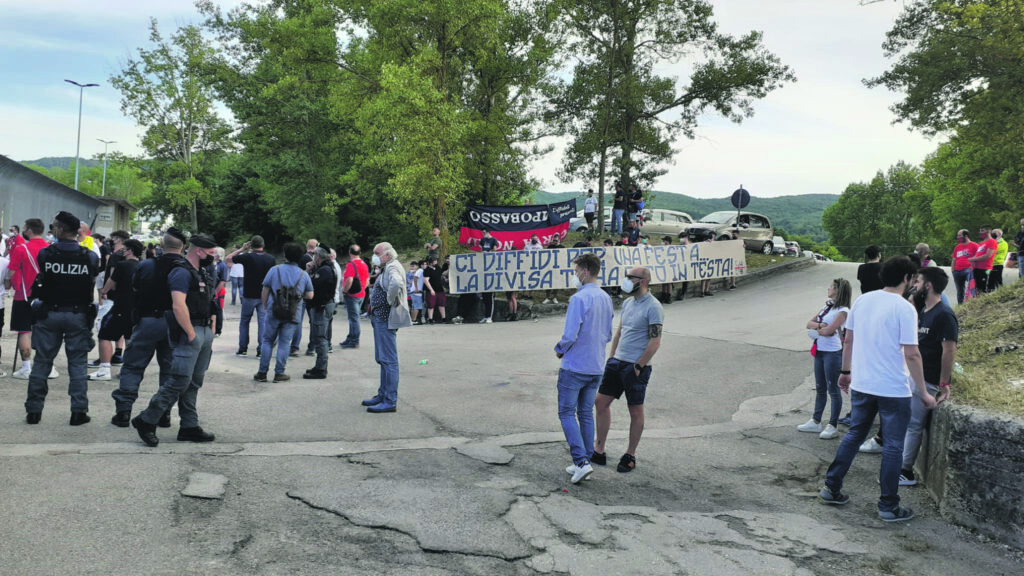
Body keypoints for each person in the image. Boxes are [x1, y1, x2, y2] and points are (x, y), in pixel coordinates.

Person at [818, 256, 937, 523]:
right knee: (894, 445)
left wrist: (846, 372)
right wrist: (923, 391)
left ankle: (831, 488)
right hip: (893, 387)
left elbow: (848, 340)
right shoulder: (905, 308)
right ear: (907, 278)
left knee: (854, 434)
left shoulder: (863, 300)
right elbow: (912, 353)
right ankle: (888, 506)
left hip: (863, 382)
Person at [130, 231, 220, 447]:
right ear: (198, 251)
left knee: (194, 382)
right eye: (210, 252)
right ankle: (147, 419)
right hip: (190, 332)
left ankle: (189, 426)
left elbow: (209, 300)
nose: (213, 256)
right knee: (179, 379)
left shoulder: (202, 272)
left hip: (204, 330)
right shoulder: (181, 272)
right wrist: (189, 332)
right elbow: (178, 304)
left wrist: (212, 324)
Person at [23, 211, 100, 425]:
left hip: (49, 314)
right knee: (77, 364)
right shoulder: (89, 256)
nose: (52, 229)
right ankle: (78, 412)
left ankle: (34, 411)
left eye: (54, 226)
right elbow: (91, 277)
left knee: (42, 362)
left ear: (62, 229)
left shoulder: (47, 254)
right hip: (78, 315)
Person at [592, 266, 663, 474]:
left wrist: (639, 365)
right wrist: (612, 357)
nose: (625, 280)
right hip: (617, 363)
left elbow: (655, 341)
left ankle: (630, 454)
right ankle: (599, 448)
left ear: (642, 281)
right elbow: (620, 331)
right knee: (601, 402)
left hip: (636, 366)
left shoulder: (654, 306)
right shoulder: (627, 303)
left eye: (629, 277)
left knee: (635, 409)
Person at [109, 231, 183, 428]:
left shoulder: (146, 265)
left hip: (148, 320)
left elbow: (135, 290)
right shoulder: (185, 267)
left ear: (161, 244)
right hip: (174, 322)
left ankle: (123, 412)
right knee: (169, 369)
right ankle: (163, 412)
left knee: (133, 366)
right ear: (182, 247)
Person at [556, 253, 613, 484]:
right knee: (585, 413)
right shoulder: (605, 297)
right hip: (596, 365)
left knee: (567, 412)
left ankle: (580, 461)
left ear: (585, 271)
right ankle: (585, 460)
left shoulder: (579, 299)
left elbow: (570, 334)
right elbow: (608, 334)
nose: (575, 275)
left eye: (576, 270)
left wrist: (560, 349)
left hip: (575, 364)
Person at [900, 267, 957, 486]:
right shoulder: (925, 311)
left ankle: (905, 472)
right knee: (909, 424)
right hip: (916, 377)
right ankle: (903, 466)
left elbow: (949, 351)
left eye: (919, 281)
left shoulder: (944, 314)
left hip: (929, 380)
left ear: (929, 286)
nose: (915, 285)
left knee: (914, 425)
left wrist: (944, 384)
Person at [797, 278, 852, 440]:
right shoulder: (827, 306)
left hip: (833, 353)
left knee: (833, 390)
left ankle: (832, 424)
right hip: (820, 350)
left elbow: (830, 331)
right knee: (820, 387)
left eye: (832, 287)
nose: (828, 288)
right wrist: (821, 327)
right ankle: (816, 420)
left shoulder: (843, 311)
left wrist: (820, 328)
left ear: (838, 290)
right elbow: (809, 323)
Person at [361, 242, 411, 413]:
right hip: (381, 318)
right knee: (383, 359)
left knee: (388, 360)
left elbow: (396, 284)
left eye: (377, 253)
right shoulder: (388, 267)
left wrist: (389, 301)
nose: (374, 256)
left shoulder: (392, 268)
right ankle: (383, 394)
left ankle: (389, 400)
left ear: (387, 255)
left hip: (385, 319)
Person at [253, 243, 314, 383]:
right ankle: (279, 373)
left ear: (285, 255)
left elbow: (265, 290)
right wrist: (296, 296)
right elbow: (310, 295)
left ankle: (262, 373)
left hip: (274, 310)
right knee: (284, 343)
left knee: (267, 341)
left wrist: (265, 306)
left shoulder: (275, 270)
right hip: (293, 313)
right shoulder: (303, 275)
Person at [7, 218, 58, 380]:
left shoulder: (21, 249)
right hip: (47, 296)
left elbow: (12, 273)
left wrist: (11, 285)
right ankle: (48, 366)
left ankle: (26, 367)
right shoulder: (51, 249)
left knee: (24, 331)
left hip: (24, 294)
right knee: (46, 331)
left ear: (29, 230)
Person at [88, 239, 143, 381]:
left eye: (124, 249)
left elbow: (111, 283)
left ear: (130, 250)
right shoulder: (142, 266)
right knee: (130, 338)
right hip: (136, 309)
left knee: (104, 334)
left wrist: (103, 292)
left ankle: (104, 369)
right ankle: (129, 371)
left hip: (120, 306)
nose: (122, 251)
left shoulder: (122, 265)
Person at [227, 236, 276, 357]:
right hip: (264, 294)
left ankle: (243, 349)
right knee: (262, 322)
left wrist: (242, 249)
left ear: (251, 246)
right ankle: (260, 350)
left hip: (249, 294)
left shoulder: (247, 257)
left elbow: (228, 259)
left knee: (244, 321)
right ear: (263, 245)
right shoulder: (270, 259)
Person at [304, 246, 336, 379]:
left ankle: (321, 368)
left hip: (321, 307)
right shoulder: (327, 268)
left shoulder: (325, 270)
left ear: (318, 256)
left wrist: (307, 272)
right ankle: (319, 366)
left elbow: (310, 284)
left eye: (315, 255)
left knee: (321, 338)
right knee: (320, 337)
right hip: (323, 305)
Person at [340, 245, 370, 348]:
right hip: (361, 293)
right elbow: (367, 281)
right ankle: (350, 337)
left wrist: (345, 290)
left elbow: (349, 279)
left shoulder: (351, 264)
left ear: (349, 252)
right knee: (354, 317)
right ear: (360, 253)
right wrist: (362, 289)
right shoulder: (364, 264)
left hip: (352, 294)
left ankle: (354, 340)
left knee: (353, 318)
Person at [968, 225, 997, 294]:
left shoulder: (992, 242)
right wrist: (973, 260)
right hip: (977, 268)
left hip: (985, 269)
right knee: (977, 288)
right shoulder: (982, 243)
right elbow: (978, 253)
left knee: (983, 288)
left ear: (989, 231)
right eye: (980, 231)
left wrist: (973, 259)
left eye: (982, 231)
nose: (980, 232)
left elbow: (988, 255)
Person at [478, 230, 499, 323]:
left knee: (490, 298)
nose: (482, 234)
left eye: (484, 232)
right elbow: (480, 249)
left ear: (488, 232)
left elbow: (495, 250)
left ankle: (490, 317)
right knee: (484, 298)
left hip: (491, 265)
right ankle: (486, 316)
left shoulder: (493, 240)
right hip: (483, 267)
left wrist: (488, 252)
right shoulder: (482, 240)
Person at [951, 230, 977, 303]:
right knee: (959, 290)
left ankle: (971, 302)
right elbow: (954, 259)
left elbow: (978, 257)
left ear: (966, 236)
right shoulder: (957, 247)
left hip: (968, 270)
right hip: (957, 271)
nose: (958, 237)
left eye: (960, 235)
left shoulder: (974, 245)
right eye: (957, 236)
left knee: (971, 288)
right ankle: (960, 305)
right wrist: (953, 270)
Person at [422, 257, 448, 323]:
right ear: (430, 263)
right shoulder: (427, 270)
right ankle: (430, 319)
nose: (436, 262)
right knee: (431, 304)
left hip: (439, 288)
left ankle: (444, 318)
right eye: (434, 261)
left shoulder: (438, 267)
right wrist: (431, 290)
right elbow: (426, 280)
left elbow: (441, 274)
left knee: (441, 303)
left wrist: (445, 278)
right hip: (431, 289)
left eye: (436, 261)